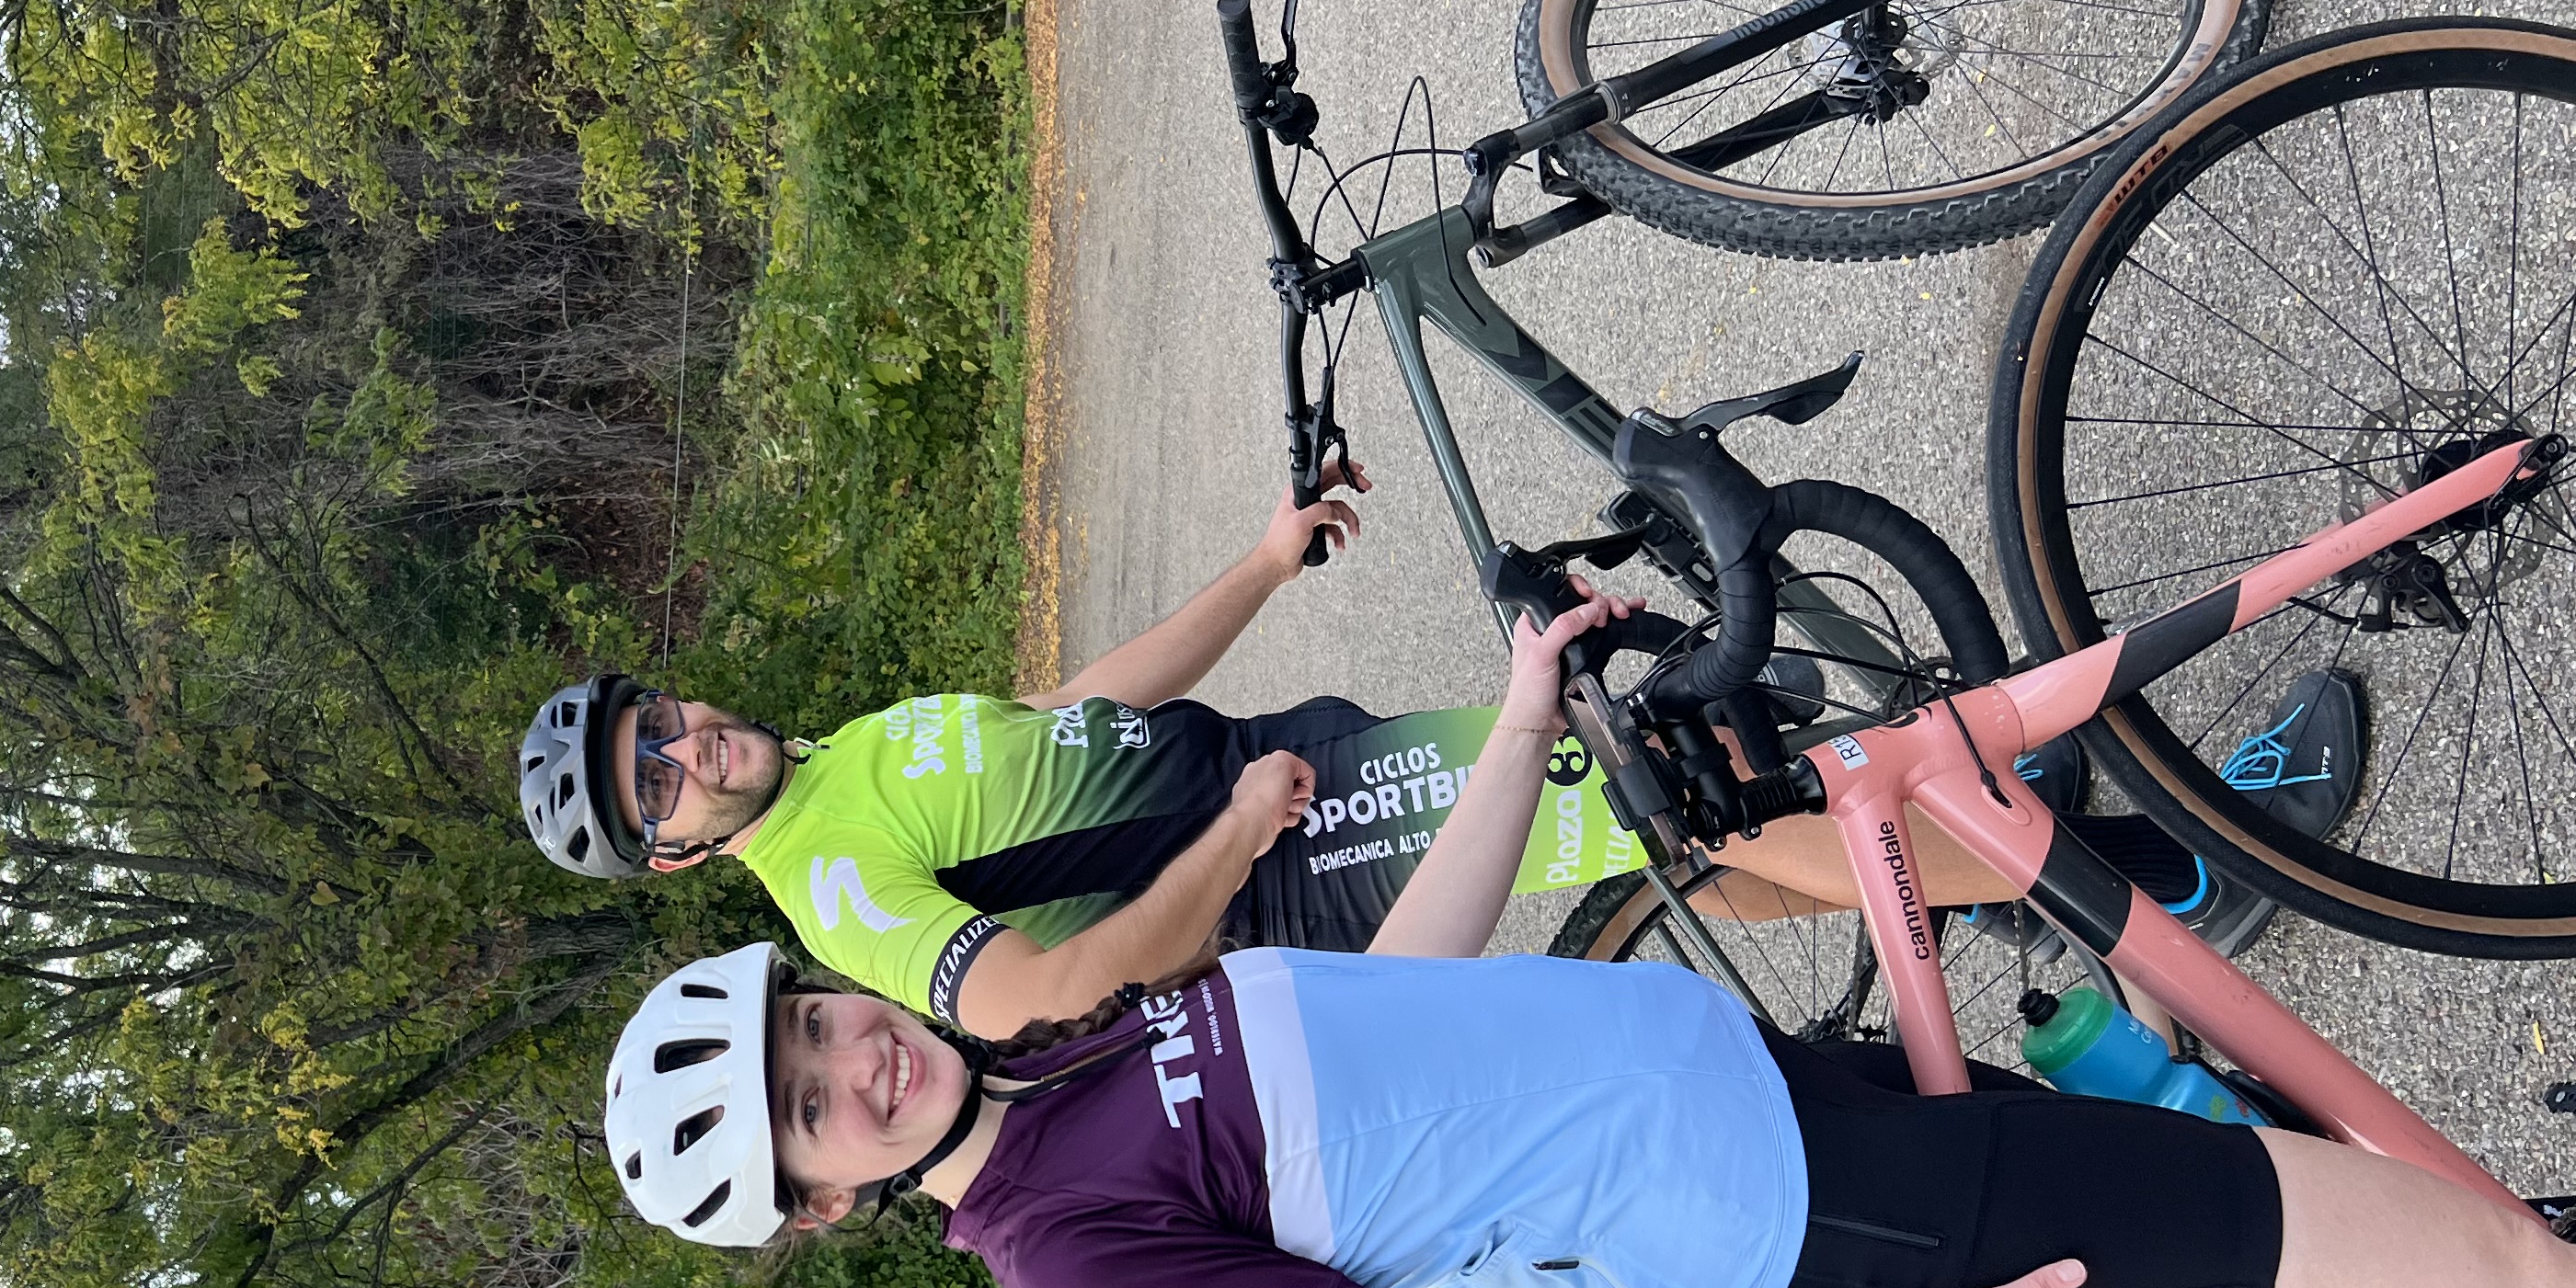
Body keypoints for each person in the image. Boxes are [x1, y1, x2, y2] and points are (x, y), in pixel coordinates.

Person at [595, 587, 2576, 1288]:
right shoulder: (1082, 1267)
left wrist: (1526, 714)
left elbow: (1398, 1014)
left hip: (1806, 1121)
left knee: (2443, 1269)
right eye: (815, 1116)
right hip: (1840, 1236)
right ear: (823, 1203)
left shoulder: (1061, 1067)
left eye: (808, 1032)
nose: (853, 1065)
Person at [525, 475, 2370, 1048]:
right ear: (677, 862)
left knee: (1698, 831)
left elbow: (1072, 718)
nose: (684, 750)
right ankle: (2184, 877)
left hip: (1288, 775)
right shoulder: (830, 891)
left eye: (658, 722)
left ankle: (2141, 899)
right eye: (656, 786)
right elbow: (1046, 992)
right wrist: (1242, 825)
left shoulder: (835, 760)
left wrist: (1255, 566)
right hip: (1302, 852)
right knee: (1690, 790)